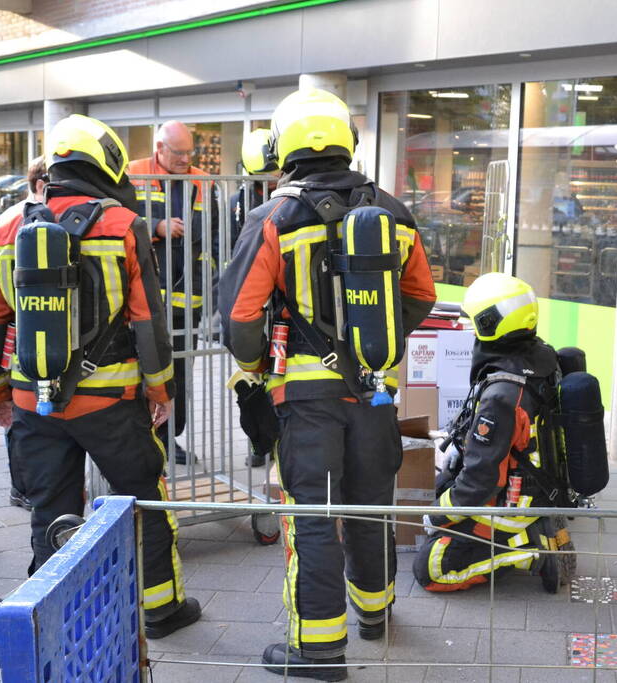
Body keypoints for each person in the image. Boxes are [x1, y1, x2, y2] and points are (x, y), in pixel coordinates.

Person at [221, 88, 436, 681]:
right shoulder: (394, 211)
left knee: (312, 515)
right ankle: (375, 612)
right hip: (374, 391)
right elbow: (421, 296)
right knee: (370, 506)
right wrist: (377, 342)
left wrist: (264, 363)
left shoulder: (272, 218)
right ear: (347, 140)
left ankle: (316, 650)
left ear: (284, 145)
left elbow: (239, 318)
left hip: (306, 400)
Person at [0, 114, 201, 638]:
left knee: (49, 510)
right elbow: (147, 317)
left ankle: (51, 617)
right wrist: (159, 389)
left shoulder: (12, 225)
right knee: (141, 496)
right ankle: (161, 608)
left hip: (36, 402)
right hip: (111, 400)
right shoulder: (122, 222)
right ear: (105, 161)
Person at [412, 273, 564, 593]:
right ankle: (536, 529)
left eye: (475, 321)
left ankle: (527, 549)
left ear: (492, 323)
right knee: (441, 492)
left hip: (513, 500)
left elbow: (482, 480)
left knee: (432, 568)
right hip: (534, 485)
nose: (471, 329)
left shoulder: (502, 396)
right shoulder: (540, 356)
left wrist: (438, 517)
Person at [128, 121, 218, 465]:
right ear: (159, 148)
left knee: (178, 372)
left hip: (185, 300)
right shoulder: (134, 174)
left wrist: (208, 275)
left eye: (189, 151)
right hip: (144, 299)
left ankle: (169, 439)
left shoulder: (202, 180)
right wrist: (156, 228)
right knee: (141, 370)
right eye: (178, 152)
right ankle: (143, 439)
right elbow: (119, 219)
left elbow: (214, 230)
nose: (185, 159)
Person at [0, 155, 48, 511]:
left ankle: (24, 485)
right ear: (41, 185)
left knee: (22, 411)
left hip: (17, 329)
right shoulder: (18, 220)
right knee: (20, 414)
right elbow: (0, 291)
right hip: (23, 328)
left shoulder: (9, 218)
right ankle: (22, 485)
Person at [227, 127, 281, 469]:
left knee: (280, 375)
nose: (272, 183)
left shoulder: (289, 200)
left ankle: (277, 438)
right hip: (253, 302)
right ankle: (260, 441)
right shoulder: (241, 204)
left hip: (280, 305)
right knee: (253, 379)